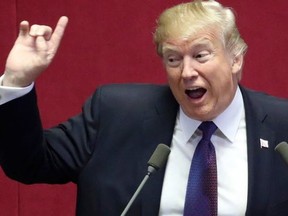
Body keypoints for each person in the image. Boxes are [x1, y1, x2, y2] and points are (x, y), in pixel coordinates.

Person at [1, 0, 288, 215]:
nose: (186, 72)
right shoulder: (116, 114)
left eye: (200, 55)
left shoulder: (281, 126)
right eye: (173, 59)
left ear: (236, 58)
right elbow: (29, 164)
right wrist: (17, 80)